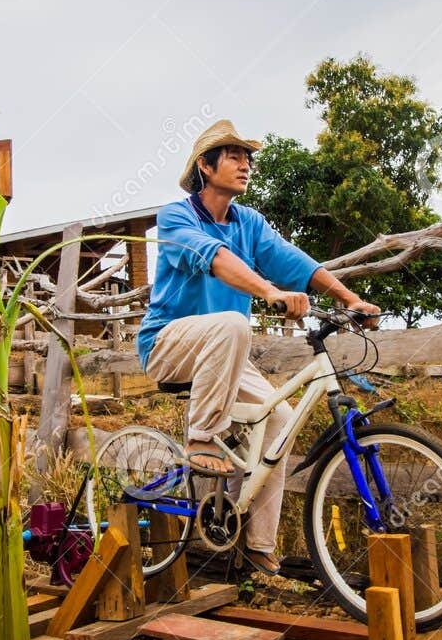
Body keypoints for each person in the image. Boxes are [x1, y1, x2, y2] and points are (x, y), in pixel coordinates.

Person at [136, 119, 381, 575]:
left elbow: (294, 260)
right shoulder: (175, 217)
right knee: (232, 322)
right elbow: (215, 259)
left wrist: (349, 298)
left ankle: (252, 539)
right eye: (234, 156)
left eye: (248, 158)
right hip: (168, 344)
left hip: (222, 350)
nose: (246, 165)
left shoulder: (249, 222)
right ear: (205, 167)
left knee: (279, 419)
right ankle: (200, 437)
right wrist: (268, 291)